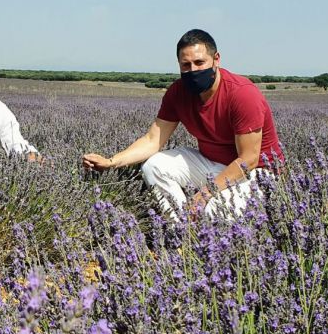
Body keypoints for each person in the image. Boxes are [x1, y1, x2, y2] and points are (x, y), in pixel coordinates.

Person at [82, 29, 284, 219]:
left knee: (215, 209)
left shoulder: (242, 94)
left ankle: (205, 227)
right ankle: (181, 230)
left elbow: (247, 159)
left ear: (216, 60)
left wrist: (205, 194)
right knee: (153, 166)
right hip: (212, 164)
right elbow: (153, 140)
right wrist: (111, 162)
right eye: (186, 65)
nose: (193, 70)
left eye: (199, 62)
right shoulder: (178, 92)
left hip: (256, 173)